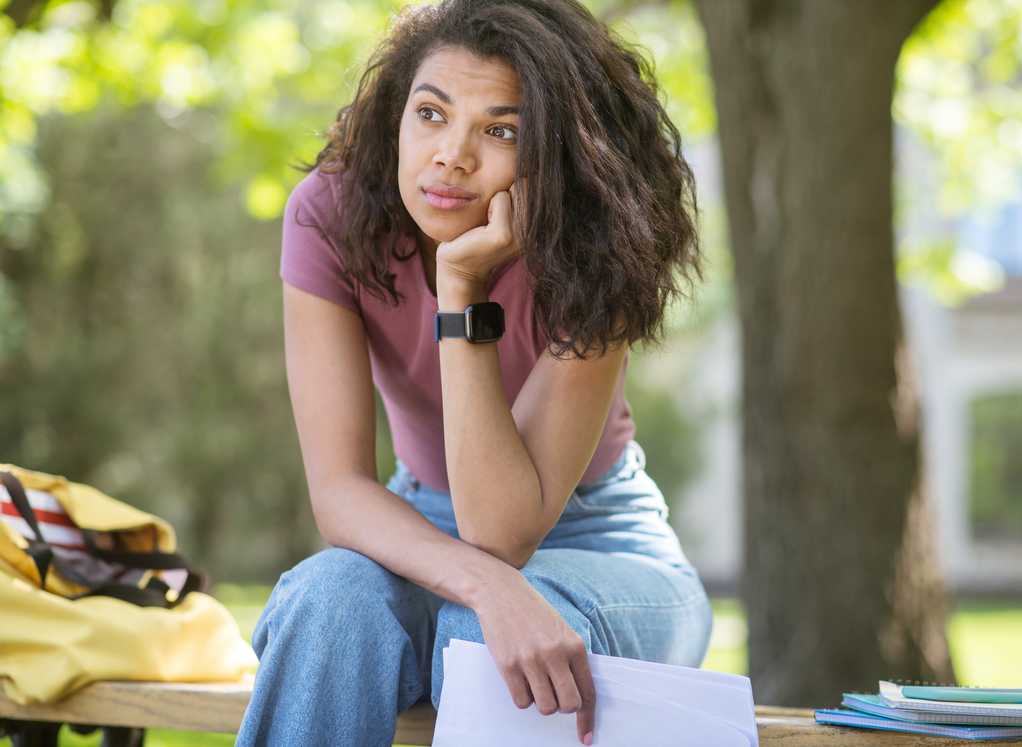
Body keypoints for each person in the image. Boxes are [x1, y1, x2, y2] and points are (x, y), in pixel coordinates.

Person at [236, 0, 712, 745]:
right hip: (415, 519)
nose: (451, 154)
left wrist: (460, 289)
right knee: (330, 598)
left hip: (601, 541)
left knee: (477, 630)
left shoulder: (603, 247)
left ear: (558, 150)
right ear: (397, 115)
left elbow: (501, 530)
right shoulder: (329, 216)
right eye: (431, 114)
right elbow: (340, 492)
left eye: (501, 130)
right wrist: (489, 586)